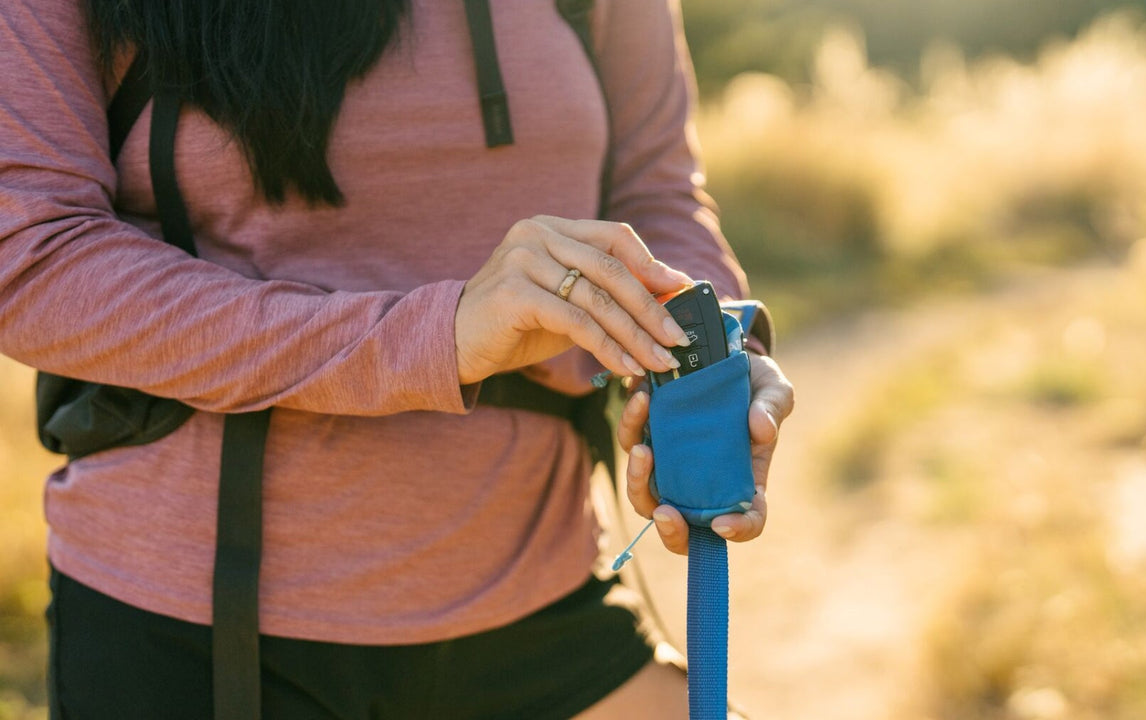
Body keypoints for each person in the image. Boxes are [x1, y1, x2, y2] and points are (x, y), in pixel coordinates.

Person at [0, 0, 794, 717]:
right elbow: (32, 259)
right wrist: (433, 336)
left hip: (546, 595)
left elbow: (657, 198)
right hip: (194, 629)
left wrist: (717, 358)